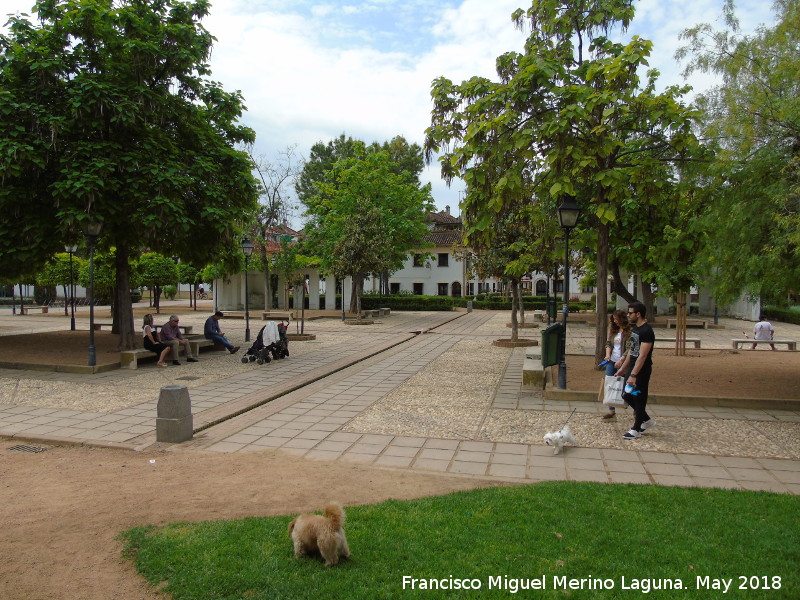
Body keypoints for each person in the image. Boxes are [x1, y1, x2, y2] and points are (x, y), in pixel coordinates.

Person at [616, 301, 656, 440]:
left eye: (630, 313)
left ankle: (636, 429)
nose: (628, 315)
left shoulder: (646, 331)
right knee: (626, 395)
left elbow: (642, 355)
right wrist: (623, 369)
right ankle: (646, 420)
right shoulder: (636, 330)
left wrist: (634, 374)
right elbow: (632, 352)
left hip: (641, 371)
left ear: (638, 314)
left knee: (638, 397)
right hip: (632, 367)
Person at [599, 309, 631, 420]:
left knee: (625, 384)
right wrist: (608, 354)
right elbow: (608, 343)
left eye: (616, 319)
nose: (615, 321)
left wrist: (622, 360)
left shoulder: (629, 331)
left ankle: (630, 405)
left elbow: (629, 348)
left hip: (624, 361)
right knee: (609, 383)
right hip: (612, 360)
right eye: (613, 319)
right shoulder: (614, 330)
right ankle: (611, 412)